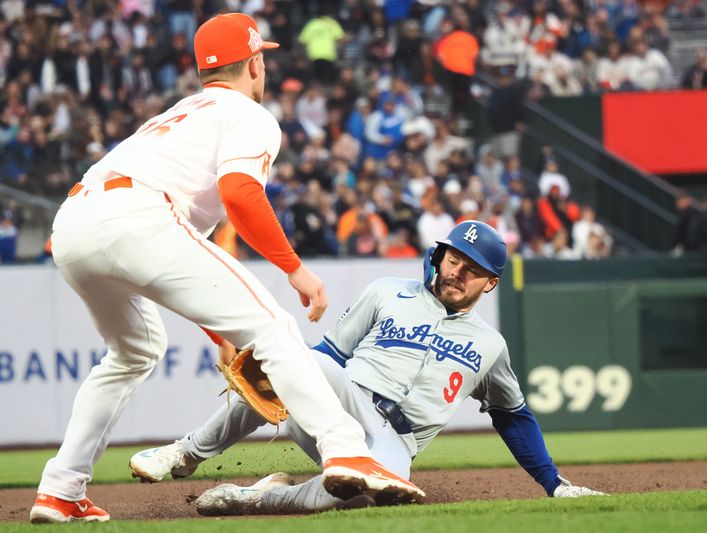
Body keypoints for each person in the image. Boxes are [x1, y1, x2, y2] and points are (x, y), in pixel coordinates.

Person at [29, 13, 422, 525]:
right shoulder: (248, 113)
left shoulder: (179, 114)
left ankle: (60, 489)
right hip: (140, 216)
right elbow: (240, 193)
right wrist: (294, 269)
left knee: (132, 352)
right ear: (256, 61)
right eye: (264, 60)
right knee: (275, 327)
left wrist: (220, 330)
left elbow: (182, 260)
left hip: (75, 225)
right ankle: (346, 449)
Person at [128, 221, 605, 516]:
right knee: (294, 362)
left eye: (471, 268)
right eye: (453, 257)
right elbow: (331, 358)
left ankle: (257, 498)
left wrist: (554, 484)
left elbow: (513, 416)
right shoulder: (386, 291)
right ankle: (184, 453)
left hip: (394, 442)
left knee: (365, 493)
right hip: (346, 399)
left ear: (491, 282)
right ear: (439, 255)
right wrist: (297, 379)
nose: (456, 271)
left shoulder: (490, 345)